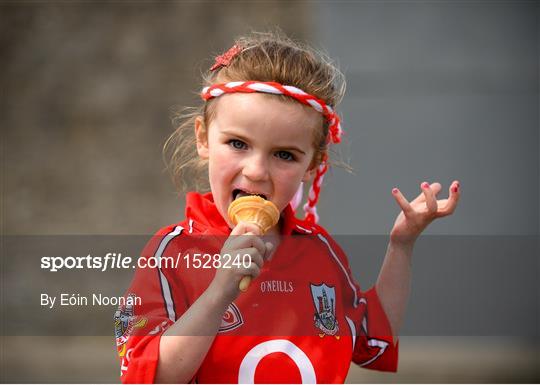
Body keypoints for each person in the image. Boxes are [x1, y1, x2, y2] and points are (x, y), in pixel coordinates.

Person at [114, 31, 461, 383]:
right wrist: (219, 293)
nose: (256, 171)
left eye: (284, 155)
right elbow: (148, 377)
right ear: (204, 138)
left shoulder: (320, 251)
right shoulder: (170, 255)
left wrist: (401, 245)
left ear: (312, 164)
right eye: (238, 143)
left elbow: (373, 339)